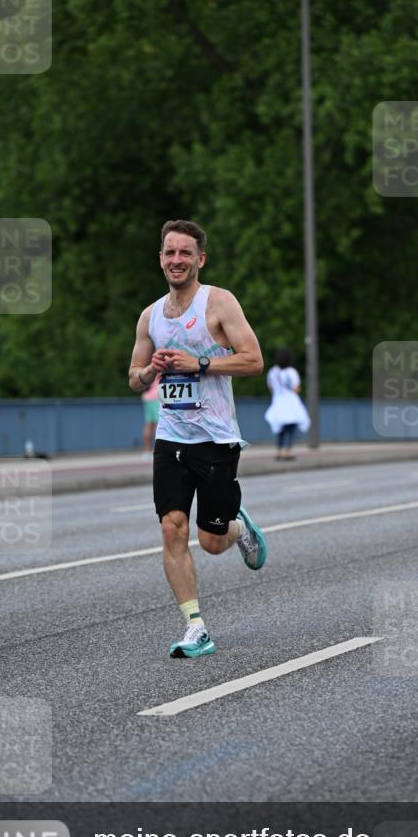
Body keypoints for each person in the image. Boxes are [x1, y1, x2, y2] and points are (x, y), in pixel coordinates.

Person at [128, 219, 267, 658]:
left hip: (215, 440)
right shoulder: (150, 316)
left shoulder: (219, 304)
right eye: (170, 253)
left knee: (210, 541)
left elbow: (253, 360)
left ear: (200, 260)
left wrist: (200, 365)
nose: (177, 260)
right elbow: (134, 377)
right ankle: (195, 626)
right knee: (172, 528)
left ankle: (238, 525)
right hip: (171, 439)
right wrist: (152, 371)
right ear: (160, 259)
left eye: (185, 253)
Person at [264, 348, 310, 460]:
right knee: (291, 426)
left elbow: (271, 388)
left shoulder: (272, 371)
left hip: (278, 401)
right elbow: (296, 388)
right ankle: (288, 450)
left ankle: (279, 450)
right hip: (291, 401)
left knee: (280, 427)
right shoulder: (291, 372)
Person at [140, 374, 160, 459]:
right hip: (156, 398)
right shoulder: (159, 369)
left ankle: (146, 451)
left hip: (147, 398)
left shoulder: (148, 368)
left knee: (148, 424)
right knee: (157, 425)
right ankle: (157, 450)